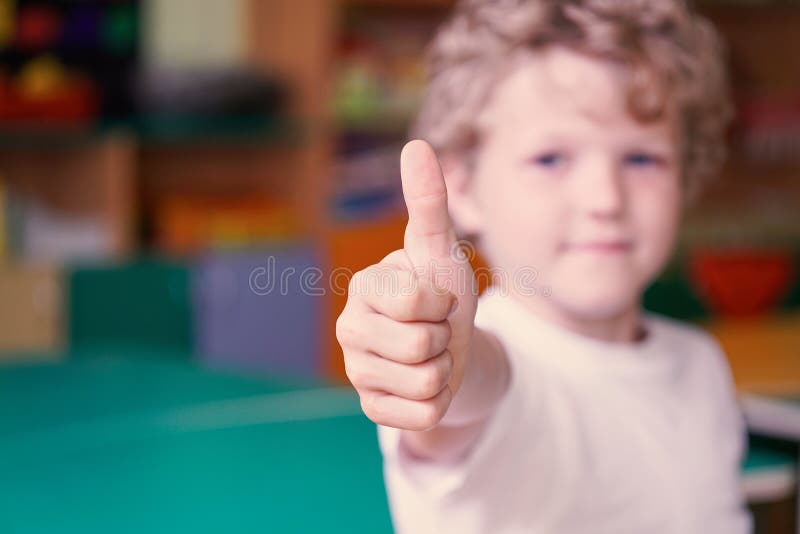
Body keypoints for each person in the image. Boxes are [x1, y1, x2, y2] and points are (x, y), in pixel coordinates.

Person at [335, 1, 751, 532]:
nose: (604, 199)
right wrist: (439, 359)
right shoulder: (484, 364)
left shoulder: (701, 365)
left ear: (686, 173)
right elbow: (473, 391)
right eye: (551, 159)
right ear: (461, 186)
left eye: (642, 159)